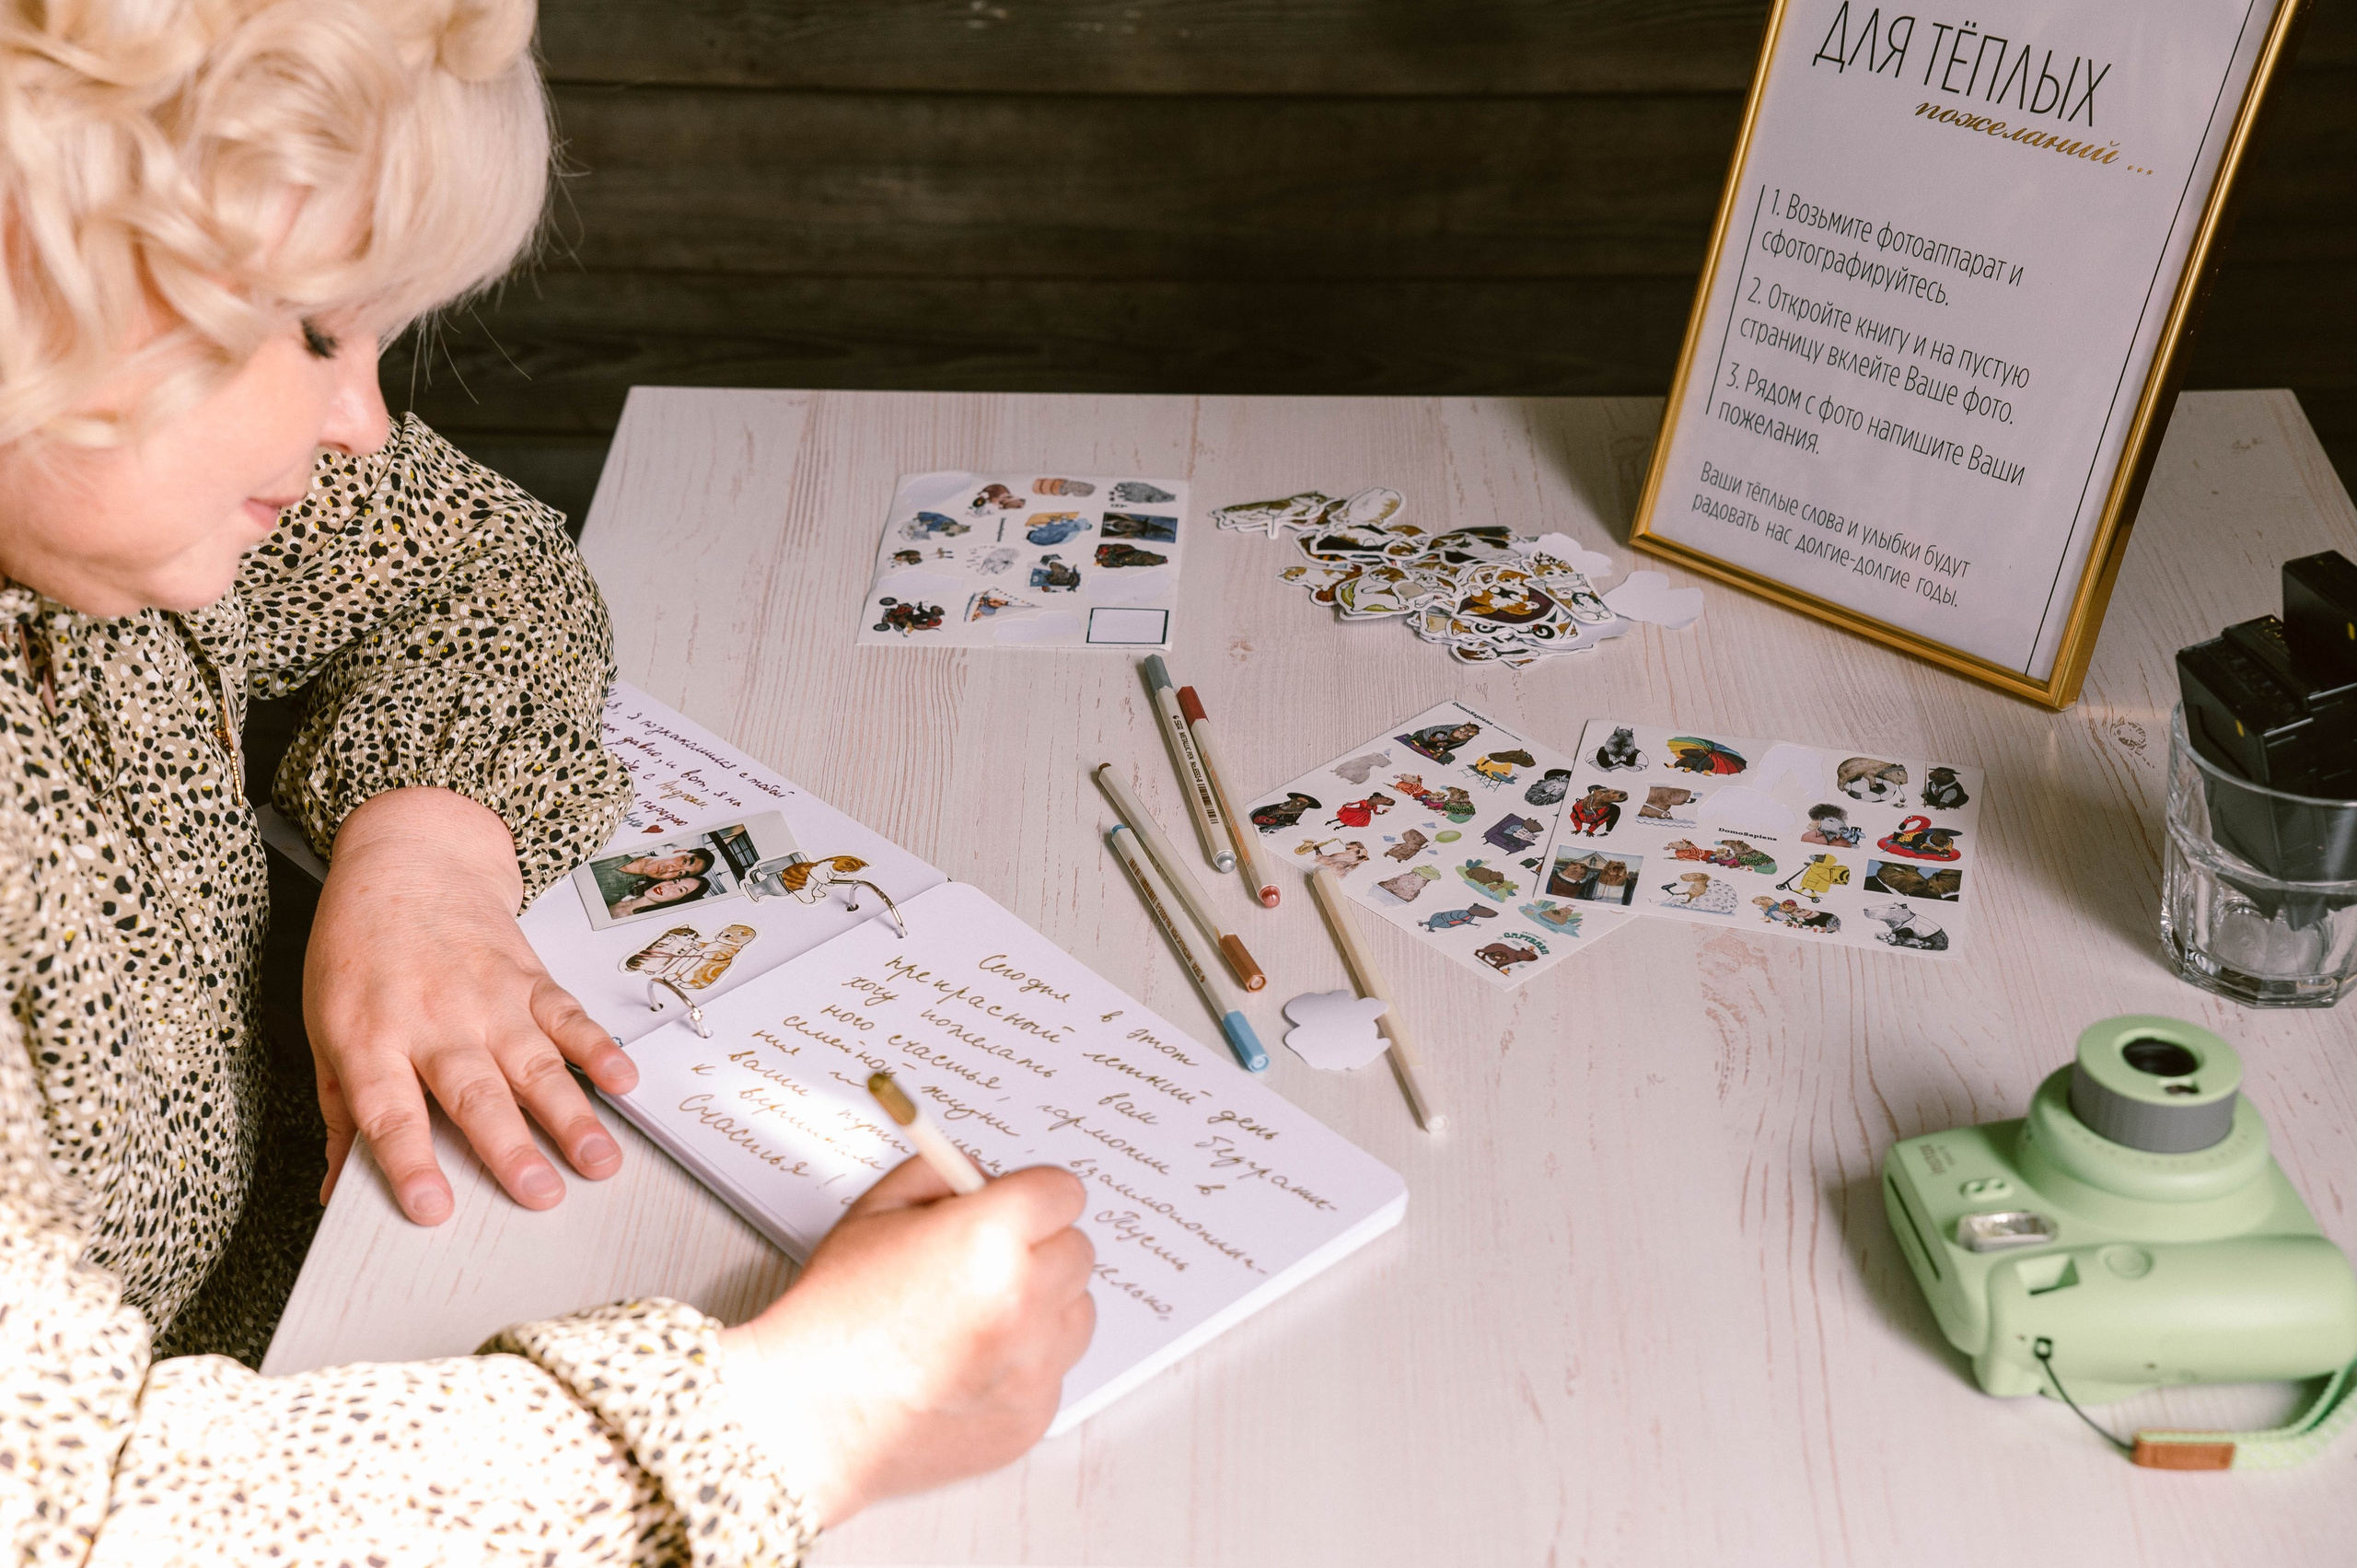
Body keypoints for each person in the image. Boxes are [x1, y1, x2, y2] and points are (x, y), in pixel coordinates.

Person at [0, 3, 1092, 1562]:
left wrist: (422, 852)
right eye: (315, 329)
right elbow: (78, 1519)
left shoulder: (80, 475)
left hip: (346, 1269)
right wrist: (803, 1413)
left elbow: (472, 567)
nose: (363, 425)